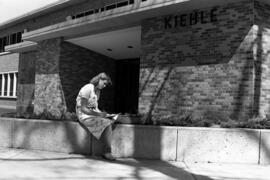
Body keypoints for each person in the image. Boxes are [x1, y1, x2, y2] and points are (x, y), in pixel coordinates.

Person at [76, 72, 116, 161]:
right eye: (104, 83)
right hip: (84, 116)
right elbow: (83, 108)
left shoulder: (97, 91)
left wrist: (105, 115)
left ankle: (106, 151)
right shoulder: (87, 88)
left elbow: (95, 108)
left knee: (111, 120)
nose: (105, 86)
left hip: (91, 115)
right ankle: (107, 152)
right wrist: (99, 115)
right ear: (99, 80)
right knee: (107, 124)